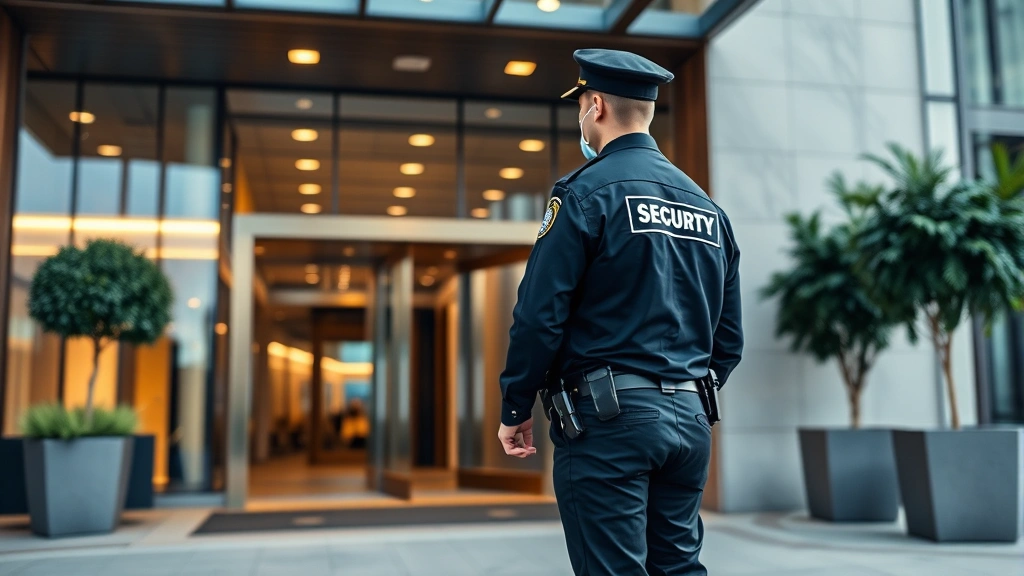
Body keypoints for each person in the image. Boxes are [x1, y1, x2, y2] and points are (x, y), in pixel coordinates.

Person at [496, 48, 744, 576]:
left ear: (596, 106)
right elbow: (729, 339)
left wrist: (516, 406)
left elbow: (539, 315)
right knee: (677, 568)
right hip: (690, 421)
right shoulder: (708, 208)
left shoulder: (585, 193)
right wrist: (680, 390)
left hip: (608, 423)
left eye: (582, 105)